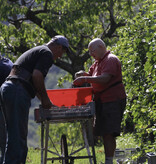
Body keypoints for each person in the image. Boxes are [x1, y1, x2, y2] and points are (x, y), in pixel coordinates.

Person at [0, 35, 69, 164]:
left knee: (13, 134)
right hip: (17, 90)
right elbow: (37, 76)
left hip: (9, 88)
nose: (60, 56)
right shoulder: (47, 53)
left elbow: (32, 80)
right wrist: (45, 100)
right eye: (62, 52)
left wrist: (46, 100)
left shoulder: (38, 50)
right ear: (59, 47)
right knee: (18, 136)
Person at [73, 38, 126, 164]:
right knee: (104, 132)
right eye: (90, 52)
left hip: (112, 99)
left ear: (101, 47)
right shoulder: (97, 63)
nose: (91, 54)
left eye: (93, 51)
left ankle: (109, 162)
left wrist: (85, 79)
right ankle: (108, 160)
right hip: (102, 100)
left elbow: (104, 78)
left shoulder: (110, 59)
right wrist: (82, 74)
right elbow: (91, 75)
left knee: (108, 132)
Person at [0, 56, 13, 164]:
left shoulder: (4, 65)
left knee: (4, 137)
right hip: (8, 102)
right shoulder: (7, 62)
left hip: (4, 104)